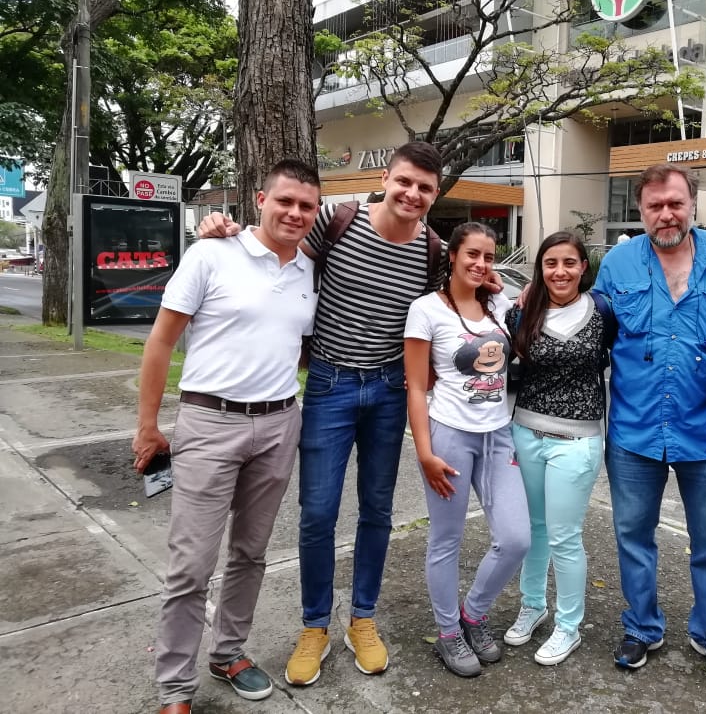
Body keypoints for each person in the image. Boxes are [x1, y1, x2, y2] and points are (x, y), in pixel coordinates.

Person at [196, 142, 501, 683]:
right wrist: (222, 229)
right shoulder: (336, 220)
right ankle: (315, 625)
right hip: (330, 385)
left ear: (435, 195)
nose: (412, 194)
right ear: (386, 178)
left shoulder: (432, 249)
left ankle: (363, 618)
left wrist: (488, 281)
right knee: (317, 513)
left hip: (388, 391)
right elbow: (276, 247)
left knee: (377, 511)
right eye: (405, 181)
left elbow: (449, 300)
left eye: (425, 188)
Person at [132, 160, 321, 714]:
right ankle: (174, 687)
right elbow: (161, 342)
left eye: (306, 206)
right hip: (210, 422)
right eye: (285, 201)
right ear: (260, 199)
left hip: (280, 423)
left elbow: (297, 345)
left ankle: (228, 653)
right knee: (191, 564)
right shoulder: (212, 254)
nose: (295, 213)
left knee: (251, 552)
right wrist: (148, 426)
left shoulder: (309, 269)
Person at [592, 163, 706, 678]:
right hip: (634, 431)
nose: (666, 214)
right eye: (654, 205)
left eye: (675, 203)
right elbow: (587, 327)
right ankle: (641, 626)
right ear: (640, 209)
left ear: (693, 204)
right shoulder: (618, 263)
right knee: (633, 535)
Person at [403, 222, 529, 678]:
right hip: (449, 435)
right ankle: (447, 632)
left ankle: (473, 614)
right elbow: (416, 387)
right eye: (472, 254)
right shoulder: (425, 310)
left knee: (516, 539)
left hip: (498, 435)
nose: (480, 263)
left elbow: (534, 302)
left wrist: (502, 288)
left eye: (489, 257)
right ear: (452, 255)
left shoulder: (497, 305)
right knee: (446, 540)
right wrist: (424, 452)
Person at [503, 232, 614, 666]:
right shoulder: (521, 311)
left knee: (565, 536)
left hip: (577, 441)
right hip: (526, 433)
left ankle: (569, 626)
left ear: (584, 267)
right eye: (551, 263)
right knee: (534, 529)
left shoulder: (603, 311)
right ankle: (533, 605)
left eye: (569, 262)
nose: (560, 271)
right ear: (540, 269)